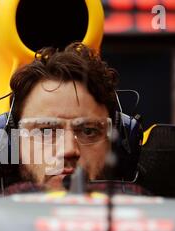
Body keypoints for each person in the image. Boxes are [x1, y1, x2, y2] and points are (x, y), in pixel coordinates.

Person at [9, 41, 118, 191]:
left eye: (88, 131)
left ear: (116, 146)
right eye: (46, 131)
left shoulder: (152, 211)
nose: (68, 150)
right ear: (12, 144)